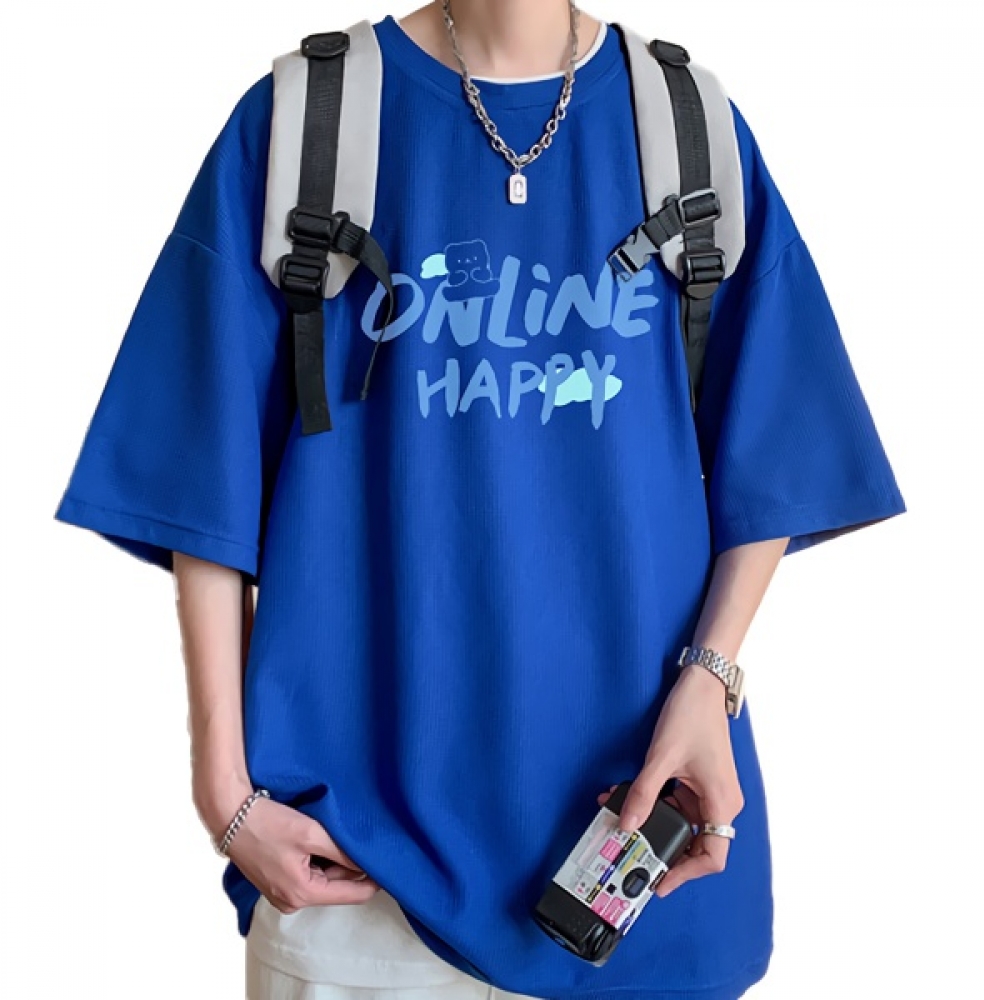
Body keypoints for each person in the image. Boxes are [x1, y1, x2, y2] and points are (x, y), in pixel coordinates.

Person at [52, 1, 906, 998]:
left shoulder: (685, 124)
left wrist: (710, 680)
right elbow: (199, 475)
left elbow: (775, 453)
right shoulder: (307, 118)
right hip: (353, 881)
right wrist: (224, 791)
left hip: (639, 861)